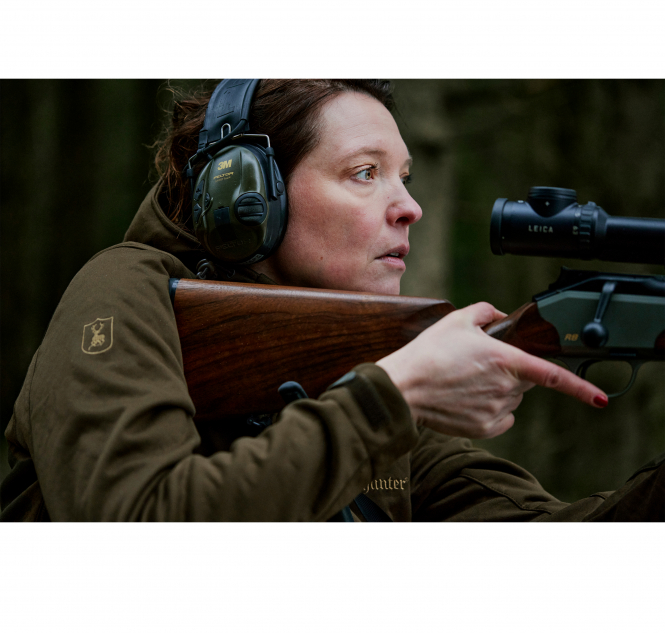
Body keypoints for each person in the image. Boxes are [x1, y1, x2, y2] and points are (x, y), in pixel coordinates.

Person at [1, 79, 662, 521]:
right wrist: (393, 396)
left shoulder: (360, 377)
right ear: (247, 196)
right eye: (364, 172)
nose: (409, 206)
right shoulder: (126, 288)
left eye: (403, 176)